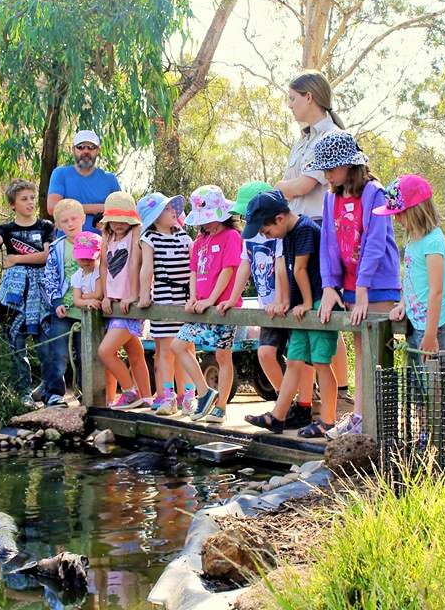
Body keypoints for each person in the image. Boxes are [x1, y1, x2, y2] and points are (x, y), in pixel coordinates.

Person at [313, 130, 401, 437]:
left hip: (377, 284)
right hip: (350, 286)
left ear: (349, 165)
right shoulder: (330, 197)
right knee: (362, 354)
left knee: (376, 355)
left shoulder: (374, 192)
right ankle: (361, 417)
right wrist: (329, 286)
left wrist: (363, 289)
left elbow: (375, 242)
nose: (327, 175)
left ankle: (376, 422)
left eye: (331, 168)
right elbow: (329, 242)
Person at [275, 71, 351, 402]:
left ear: (309, 97)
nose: (290, 105)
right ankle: (308, 400)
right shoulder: (302, 140)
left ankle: (341, 392)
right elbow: (293, 185)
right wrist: (285, 188)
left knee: (325, 309)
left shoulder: (332, 136)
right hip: (296, 228)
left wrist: (278, 187)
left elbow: (305, 185)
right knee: (308, 312)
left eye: (293, 98)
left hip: (321, 227)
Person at [218, 181, 316, 430]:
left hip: (286, 303)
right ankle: (285, 404)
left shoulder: (281, 232)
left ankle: (304, 405)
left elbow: (283, 266)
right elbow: (245, 265)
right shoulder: (250, 236)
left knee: (300, 358)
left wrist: (282, 300)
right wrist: (232, 297)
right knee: (265, 353)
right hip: (266, 306)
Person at [242, 190, 339, 437]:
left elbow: (300, 269)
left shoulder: (305, 229)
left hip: (317, 302)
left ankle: (328, 420)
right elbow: (285, 269)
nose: (266, 235)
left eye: (266, 230)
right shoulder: (286, 234)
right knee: (294, 360)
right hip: (300, 306)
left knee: (321, 362)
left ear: (280, 218)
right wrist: (286, 300)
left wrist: (306, 302)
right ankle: (278, 416)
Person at [171, 185, 243, 424]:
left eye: (210, 218)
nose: (206, 223)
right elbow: (193, 271)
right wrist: (193, 297)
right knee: (178, 345)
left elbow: (228, 269)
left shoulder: (232, 236)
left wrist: (212, 299)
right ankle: (204, 392)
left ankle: (220, 407)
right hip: (200, 305)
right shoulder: (200, 240)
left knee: (223, 355)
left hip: (223, 307)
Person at [0, 180, 54, 404]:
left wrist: (16, 259)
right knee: (16, 343)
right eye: (24, 199)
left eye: (32, 198)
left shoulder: (45, 226)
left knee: (45, 342)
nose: (30, 202)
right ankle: (23, 393)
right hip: (14, 294)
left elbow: (45, 256)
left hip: (40, 291)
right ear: (13, 204)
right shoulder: (7, 229)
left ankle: (49, 390)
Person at [378, 175, 445, 366]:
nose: (396, 219)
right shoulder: (414, 239)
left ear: (415, 211)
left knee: (434, 378)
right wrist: (403, 304)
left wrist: (430, 334)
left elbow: (436, 291)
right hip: (416, 322)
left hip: (434, 326)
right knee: (415, 378)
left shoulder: (433, 242)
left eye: (399, 213)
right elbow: (411, 279)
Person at [135, 192, 194, 416]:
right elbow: (147, 268)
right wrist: (144, 294)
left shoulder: (184, 237)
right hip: (163, 296)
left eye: (172, 208)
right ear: (155, 217)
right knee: (166, 350)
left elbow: (193, 267)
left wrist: (195, 295)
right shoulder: (149, 238)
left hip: (185, 299)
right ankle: (168, 396)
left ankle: (188, 396)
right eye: (166, 209)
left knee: (187, 348)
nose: (172, 212)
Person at [98, 191, 152, 409]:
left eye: (123, 219)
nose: (119, 224)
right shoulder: (108, 237)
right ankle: (147, 397)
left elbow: (135, 264)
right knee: (134, 352)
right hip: (115, 304)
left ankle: (130, 392)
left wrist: (133, 295)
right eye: (114, 220)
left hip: (130, 303)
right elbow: (104, 266)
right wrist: (106, 295)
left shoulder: (135, 235)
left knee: (105, 351)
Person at [39, 198, 87, 405]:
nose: (70, 224)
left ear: (83, 218)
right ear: (58, 225)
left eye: (74, 218)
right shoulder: (57, 248)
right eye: (64, 221)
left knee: (86, 354)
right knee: (58, 353)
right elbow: (49, 278)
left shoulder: (94, 242)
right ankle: (54, 394)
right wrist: (56, 301)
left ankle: (86, 393)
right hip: (63, 310)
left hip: (86, 309)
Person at [47, 130, 121, 233]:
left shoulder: (110, 179)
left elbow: (121, 209)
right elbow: (53, 208)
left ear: (98, 150)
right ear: (73, 149)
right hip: (68, 241)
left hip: (103, 241)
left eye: (91, 147)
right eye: (80, 147)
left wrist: (70, 207)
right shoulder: (60, 174)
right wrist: (99, 208)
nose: (86, 151)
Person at [71, 231, 103, 310]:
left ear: (99, 256)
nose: (86, 262)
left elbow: (98, 295)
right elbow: (76, 301)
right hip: (87, 312)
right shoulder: (77, 276)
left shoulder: (99, 271)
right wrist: (88, 301)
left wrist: (82, 296)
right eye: (82, 259)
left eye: (90, 258)